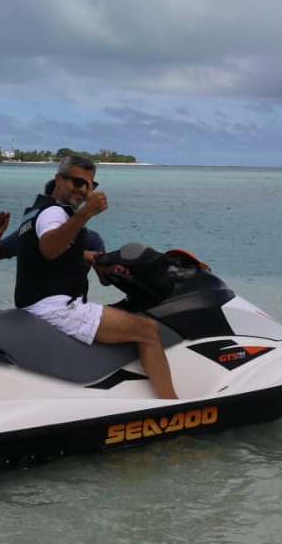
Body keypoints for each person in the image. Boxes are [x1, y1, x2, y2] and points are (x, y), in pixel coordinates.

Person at [13, 155, 178, 399]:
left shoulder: (36, 212)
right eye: (77, 183)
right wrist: (86, 213)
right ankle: (170, 405)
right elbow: (49, 248)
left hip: (34, 304)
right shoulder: (55, 213)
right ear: (59, 180)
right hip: (56, 309)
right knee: (148, 330)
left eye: (90, 185)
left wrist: (91, 257)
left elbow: (50, 253)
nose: (84, 190)